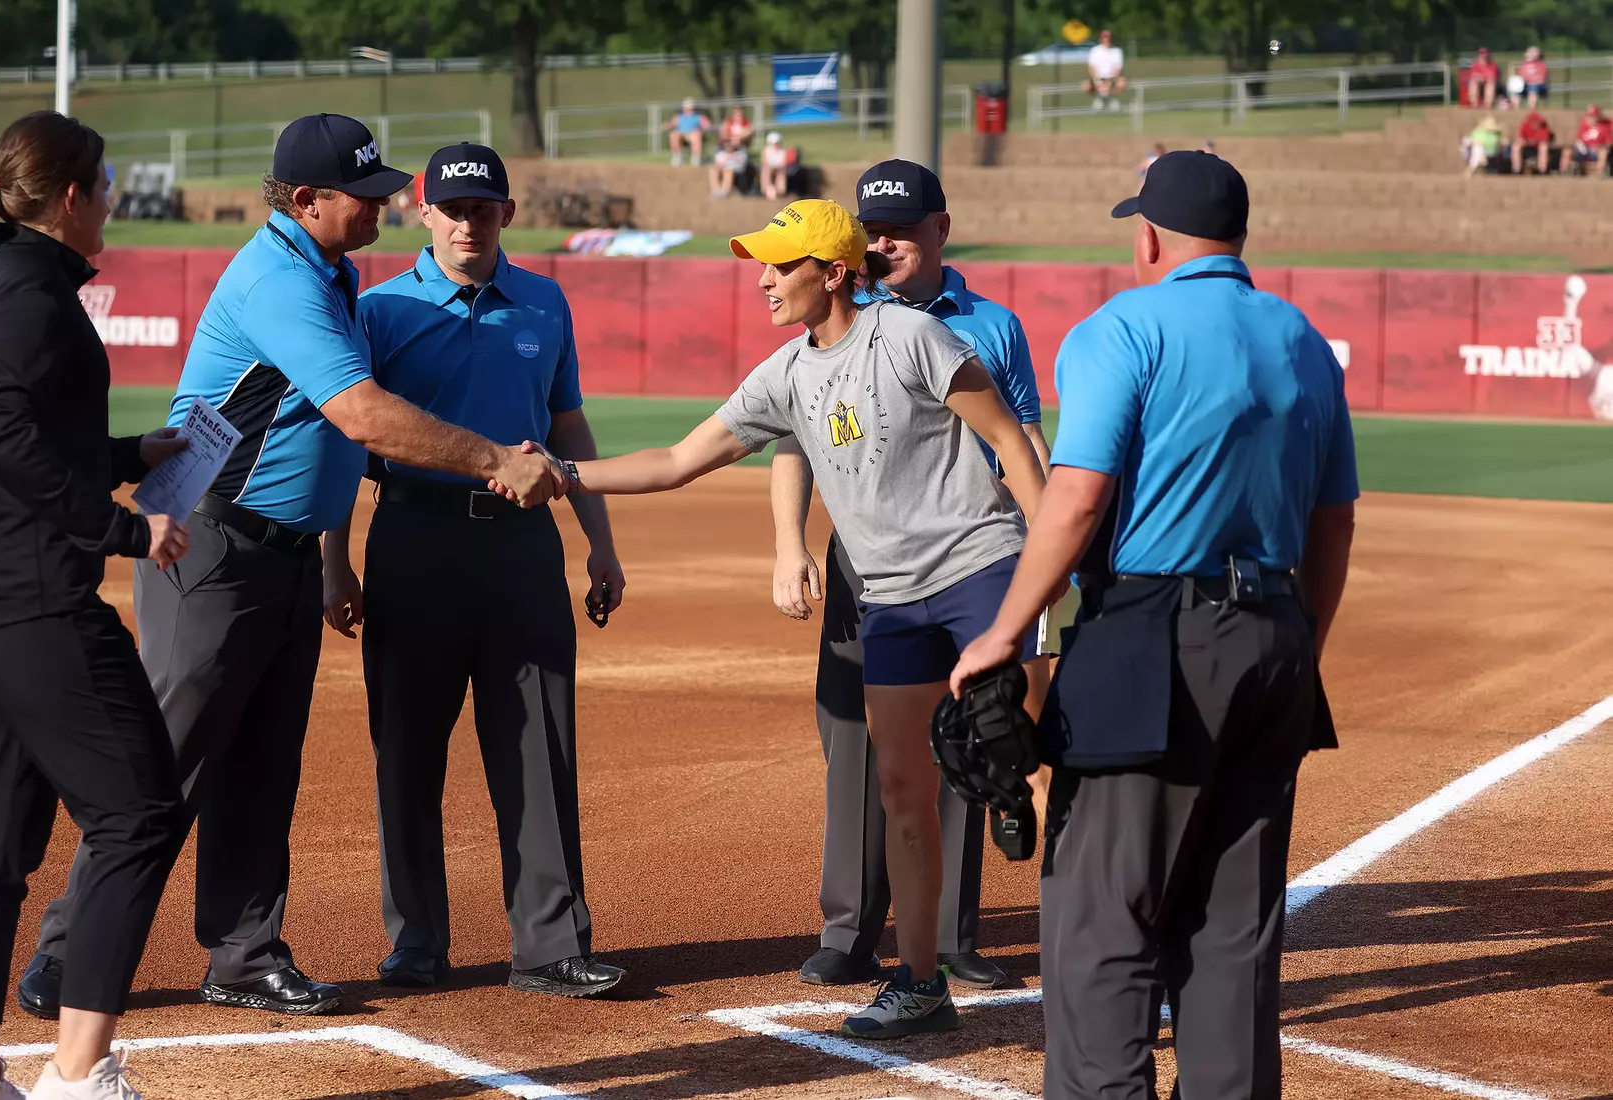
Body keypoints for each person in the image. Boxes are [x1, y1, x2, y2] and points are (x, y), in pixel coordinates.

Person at [16, 113, 565, 1023]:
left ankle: (244, 952)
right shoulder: (280, 279)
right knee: (167, 763)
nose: (388, 201)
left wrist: (328, 557)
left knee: (264, 764)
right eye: (367, 190)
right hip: (207, 542)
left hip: (275, 553)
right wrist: (493, 459)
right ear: (306, 201)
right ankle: (69, 950)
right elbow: (362, 416)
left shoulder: (329, 269)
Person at [499, 199, 1049, 1038]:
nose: (761, 278)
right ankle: (921, 980)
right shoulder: (787, 373)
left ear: (833, 273)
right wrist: (567, 473)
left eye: (779, 265)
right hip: (893, 600)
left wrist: (1045, 573)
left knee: (1032, 750)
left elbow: (1010, 442)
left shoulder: (908, 336)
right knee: (905, 790)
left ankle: (1102, 935)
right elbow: (680, 460)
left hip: (980, 567)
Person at [949, 150, 1357, 1099]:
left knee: (1103, 920)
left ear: (1148, 236)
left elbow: (1080, 495)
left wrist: (1007, 628)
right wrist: (1302, 643)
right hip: (1275, 639)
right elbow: (1335, 521)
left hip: (1153, 637)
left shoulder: (1121, 327)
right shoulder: (1300, 337)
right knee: (1233, 929)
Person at [325, 142, 628, 998]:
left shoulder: (544, 301)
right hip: (413, 543)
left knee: (539, 744)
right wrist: (335, 560)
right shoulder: (379, 312)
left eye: (484, 207)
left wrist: (599, 541)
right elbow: (350, 443)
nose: (468, 222)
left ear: (506, 212)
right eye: (452, 208)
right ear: (423, 212)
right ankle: (415, 943)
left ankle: (550, 945)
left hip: (523, 546)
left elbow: (568, 427)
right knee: (407, 751)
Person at [770, 161, 1050, 992]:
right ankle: (850, 929)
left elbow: (1023, 439)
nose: (881, 241)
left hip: (966, 559)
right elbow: (792, 439)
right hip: (867, 560)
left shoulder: (992, 326)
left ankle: (952, 935)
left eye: (898, 226)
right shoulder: (840, 313)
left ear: (941, 229)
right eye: (869, 228)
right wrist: (791, 542)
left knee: (967, 731)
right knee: (859, 743)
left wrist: (1040, 550)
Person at [0, 110, 191, 1100]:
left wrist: (127, 457)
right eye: (103, 186)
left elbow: (18, 441)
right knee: (140, 807)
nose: (112, 202)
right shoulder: (29, 296)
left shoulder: (3, 283)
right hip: (35, 598)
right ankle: (79, 1067)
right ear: (69, 196)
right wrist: (122, 528)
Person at [1082, 29, 1128, 111]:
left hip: (1112, 78)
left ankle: (1113, 99)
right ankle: (1098, 99)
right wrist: (1097, 81)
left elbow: (1118, 69)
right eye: (1105, 38)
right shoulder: (1095, 51)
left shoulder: (1117, 51)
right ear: (1101, 39)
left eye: (1108, 38)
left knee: (1122, 82)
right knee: (1086, 86)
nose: (1107, 40)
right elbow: (1092, 67)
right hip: (1098, 77)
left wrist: (1109, 82)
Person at [1561, 104, 1611, 177]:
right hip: (1584, 149)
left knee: (1603, 152)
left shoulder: (1604, 127)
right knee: (1567, 151)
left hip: (1597, 151)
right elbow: (1578, 140)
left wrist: (1598, 147)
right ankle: (1564, 172)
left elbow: (1608, 144)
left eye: (1593, 116)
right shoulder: (1584, 124)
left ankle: (1600, 173)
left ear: (1598, 116)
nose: (1591, 119)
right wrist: (1581, 147)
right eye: (1590, 116)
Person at [664, 99, 710, 166]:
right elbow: (672, 124)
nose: (688, 109)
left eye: (690, 108)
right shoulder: (679, 116)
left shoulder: (699, 116)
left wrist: (701, 130)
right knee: (674, 135)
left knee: (696, 135)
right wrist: (667, 125)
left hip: (693, 134)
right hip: (681, 134)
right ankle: (677, 157)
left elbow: (707, 125)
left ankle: (696, 158)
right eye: (687, 108)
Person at [1513, 109, 1553, 174]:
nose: (1538, 123)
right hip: (1527, 147)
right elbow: (1520, 138)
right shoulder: (1525, 125)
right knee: (1516, 147)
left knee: (1543, 147)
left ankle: (1542, 170)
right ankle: (1516, 169)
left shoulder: (1543, 126)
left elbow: (1545, 140)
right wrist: (1525, 142)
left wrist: (1534, 142)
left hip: (1538, 147)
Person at [760, 132, 792, 201]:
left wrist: (778, 167)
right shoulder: (766, 151)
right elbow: (765, 162)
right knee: (766, 171)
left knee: (781, 173)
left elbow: (784, 162)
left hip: (779, 168)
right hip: (769, 168)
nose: (776, 145)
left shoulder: (783, 151)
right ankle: (766, 190)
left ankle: (781, 191)